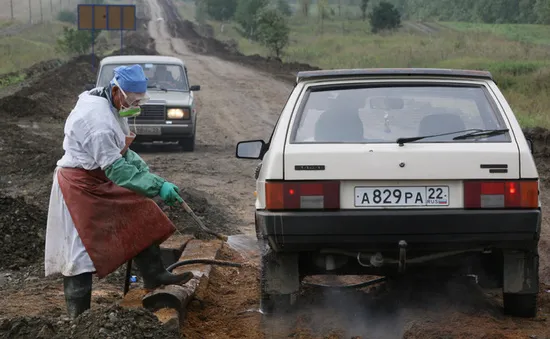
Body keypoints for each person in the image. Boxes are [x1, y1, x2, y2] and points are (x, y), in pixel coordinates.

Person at [44, 64, 193, 319]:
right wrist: (157, 186)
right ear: (116, 91)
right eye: (131, 100)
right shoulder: (97, 121)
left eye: (138, 100)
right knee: (79, 253)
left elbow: (122, 151)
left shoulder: (109, 103)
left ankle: (154, 274)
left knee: (140, 208)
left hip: (99, 177)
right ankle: (79, 318)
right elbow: (118, 171)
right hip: (80, 185)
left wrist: (147, 174)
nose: (134, 105)